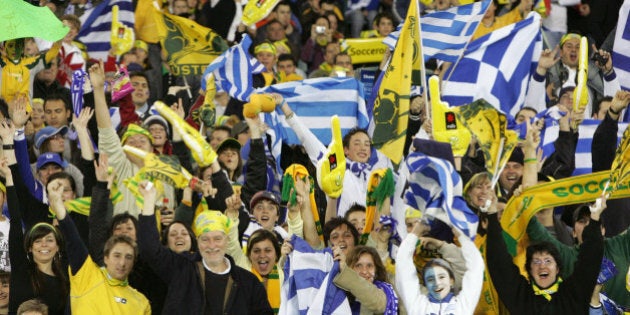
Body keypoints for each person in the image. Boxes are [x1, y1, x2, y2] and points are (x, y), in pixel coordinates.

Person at [137, 181, 273, 314]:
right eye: (205, 239)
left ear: (227, 240)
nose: (212, 245)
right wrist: (149, 201)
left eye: (217, 239)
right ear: (197, 241)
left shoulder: (248, 282)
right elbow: (149, 250)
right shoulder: (182, 267)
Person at [50, 179, 150, 314]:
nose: (122, 262)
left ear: (133, 263)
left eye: (128, 257)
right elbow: (73, 240)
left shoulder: (141, 302)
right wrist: (58, 205)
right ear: (106, 258)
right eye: (117, 255)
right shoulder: (88, 275)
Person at [396, 219, 484, 314]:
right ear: (425, 283)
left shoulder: (462, 305)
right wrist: (415, 233)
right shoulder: (418, 306)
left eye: (441, 277)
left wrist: (461, 236)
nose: (437, 283)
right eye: (430, 279)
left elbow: (476, 267)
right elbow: (403, 268)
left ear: (452, 280)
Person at [333, 245, 400, 314]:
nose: (364, 271)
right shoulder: (338, 294)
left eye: (369, 266)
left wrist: (346, 272)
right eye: (358, 266)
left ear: (376, 270)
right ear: (350, 268)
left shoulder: (385, 291)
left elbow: (378, 304)